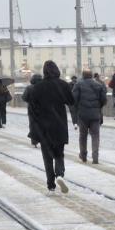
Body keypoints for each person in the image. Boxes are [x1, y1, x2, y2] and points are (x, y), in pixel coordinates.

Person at [27, 60, 74, 194]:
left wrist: (34, 129)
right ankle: (59, 174)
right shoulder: (63, 85)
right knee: (59, 154)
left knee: (47, 156)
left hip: (44, 127)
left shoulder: (38, 87)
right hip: (59, 125)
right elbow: (71, 101)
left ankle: (51, 185)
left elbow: (33, 109)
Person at [72, 69, 107, 165]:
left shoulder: (78, 85)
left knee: (83, 136)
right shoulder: (98, 85)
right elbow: (104, 100)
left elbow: (74, 99)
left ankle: (83, 155)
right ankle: (95, 157)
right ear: (91, 76)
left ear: (83, 76)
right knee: (95, 135)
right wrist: (98, 106)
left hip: (83, 114)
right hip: (95, 114)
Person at [22, 74, 43, 147]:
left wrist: (30, 101)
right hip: (42, 109)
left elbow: (24, 97)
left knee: (33, 125)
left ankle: (34, 141)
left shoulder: (29, 88)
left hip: (31, 109)